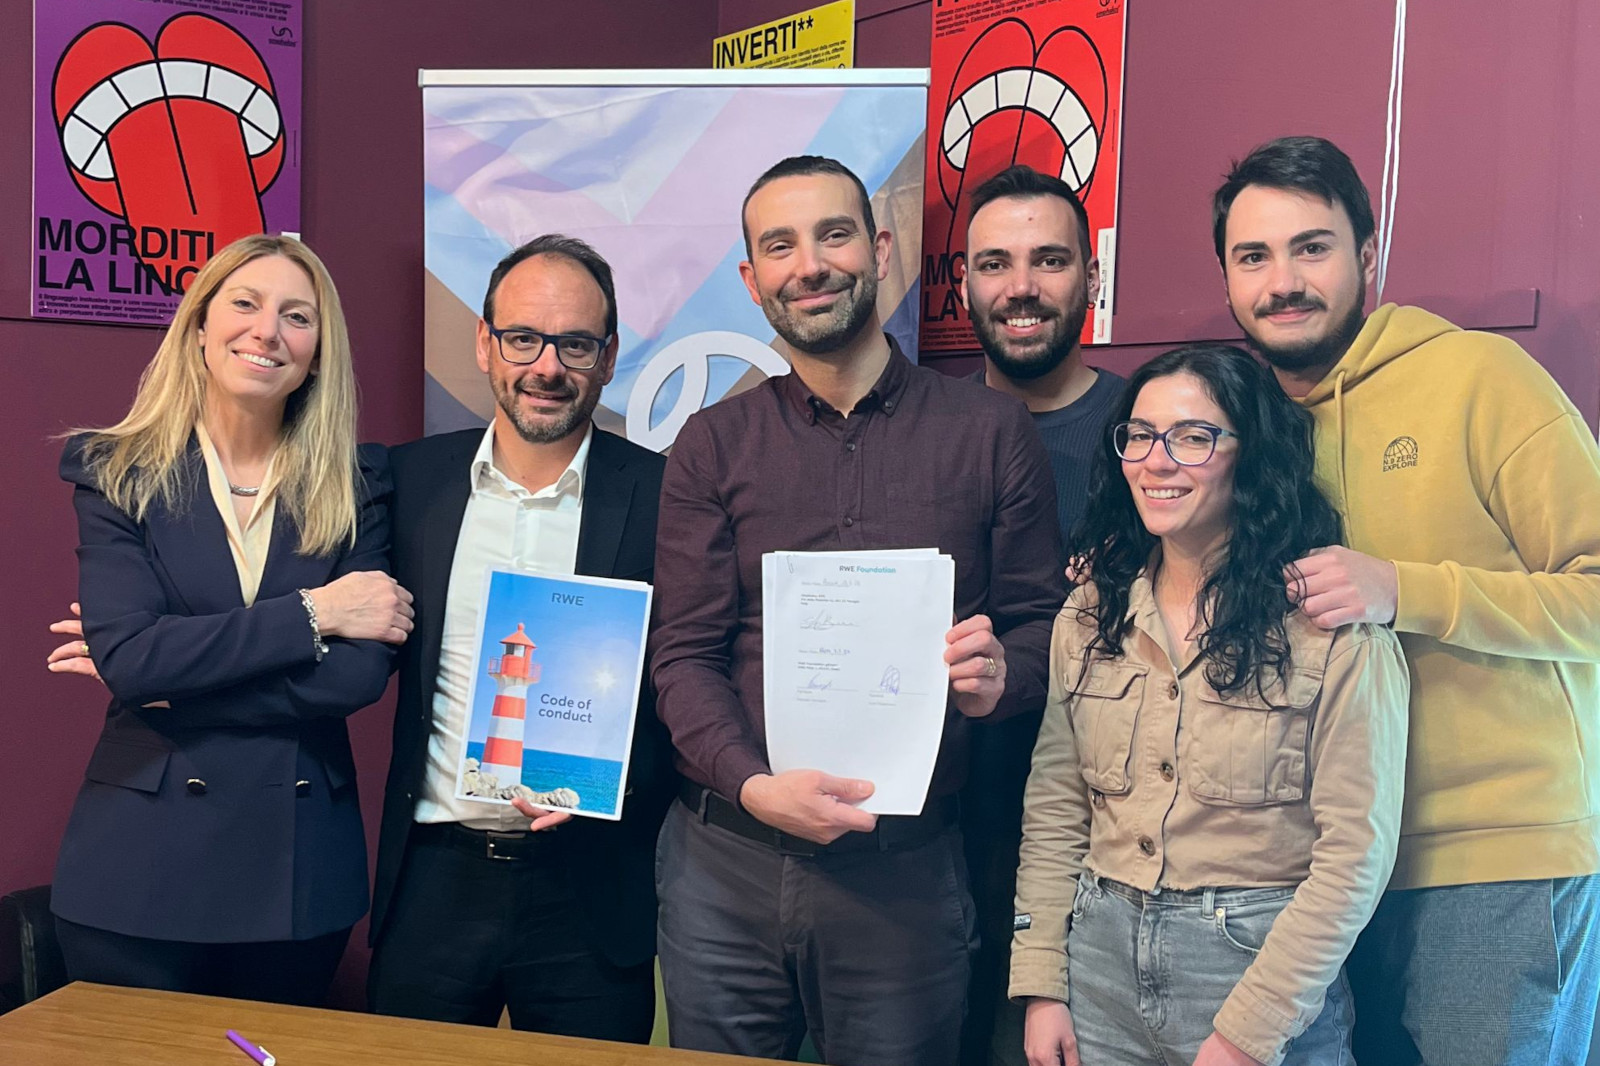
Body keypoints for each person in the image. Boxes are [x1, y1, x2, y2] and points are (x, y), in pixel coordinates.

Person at [651, 154, 1066, 1066]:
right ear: (751, 278)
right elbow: (682, 655)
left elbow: (1045, 626)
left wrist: (1002, 675)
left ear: (879, 249)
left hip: (905, 875)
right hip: (727, 865)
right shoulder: (712, 445)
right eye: (780, 246)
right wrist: (755, 786)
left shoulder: (991, 434)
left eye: (834, 235)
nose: (811, 264)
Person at [1214, 135, 1600, 1064]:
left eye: (1312, 247)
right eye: (1253, 256)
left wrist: (1405, 591)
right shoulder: (1252, 433)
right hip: (1327, 875)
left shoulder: (1480, 378)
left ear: (1368, 256)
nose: (1283, 281)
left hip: (1494, 857)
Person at [1011, 343, 1408, 1066]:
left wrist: (1250, 1031)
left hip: (1257, 973)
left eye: (1193, 437)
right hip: (1098, 968)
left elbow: (1356, 855)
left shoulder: (1329, 628)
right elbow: (1056, 808)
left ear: (1249, 454)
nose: (1157, 461)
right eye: (1138, 435)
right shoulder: (1088, 615)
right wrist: (1043, 984)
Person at [46, 234, 411, 1005]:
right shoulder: (115, 470)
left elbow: (355, 678)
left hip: (297, 871)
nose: (267, 331)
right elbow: (138, 661)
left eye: (297, 316)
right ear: (200, 327)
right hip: (137, 870)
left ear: (319, 351)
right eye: (244, 304)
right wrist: (318, 611)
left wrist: (171, 675)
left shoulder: (360, 483)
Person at [365, 235, 672, 1041]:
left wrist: (618, 781)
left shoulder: (664, 496)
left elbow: (691, 678)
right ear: (484, 342)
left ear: (608, 358)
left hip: (590, 887)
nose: (546, 367)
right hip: (434, 877)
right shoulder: (408, 482)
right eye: (523, 338)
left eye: (574, 344)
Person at [958, 163, 1125, 1066]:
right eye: (995, 263)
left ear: (1091, 276)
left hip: (1102, 838)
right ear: (964, 284)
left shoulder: (1151, 432)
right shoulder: (919, 429)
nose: (1020, 287)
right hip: (941, 828)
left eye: (1049, 260)